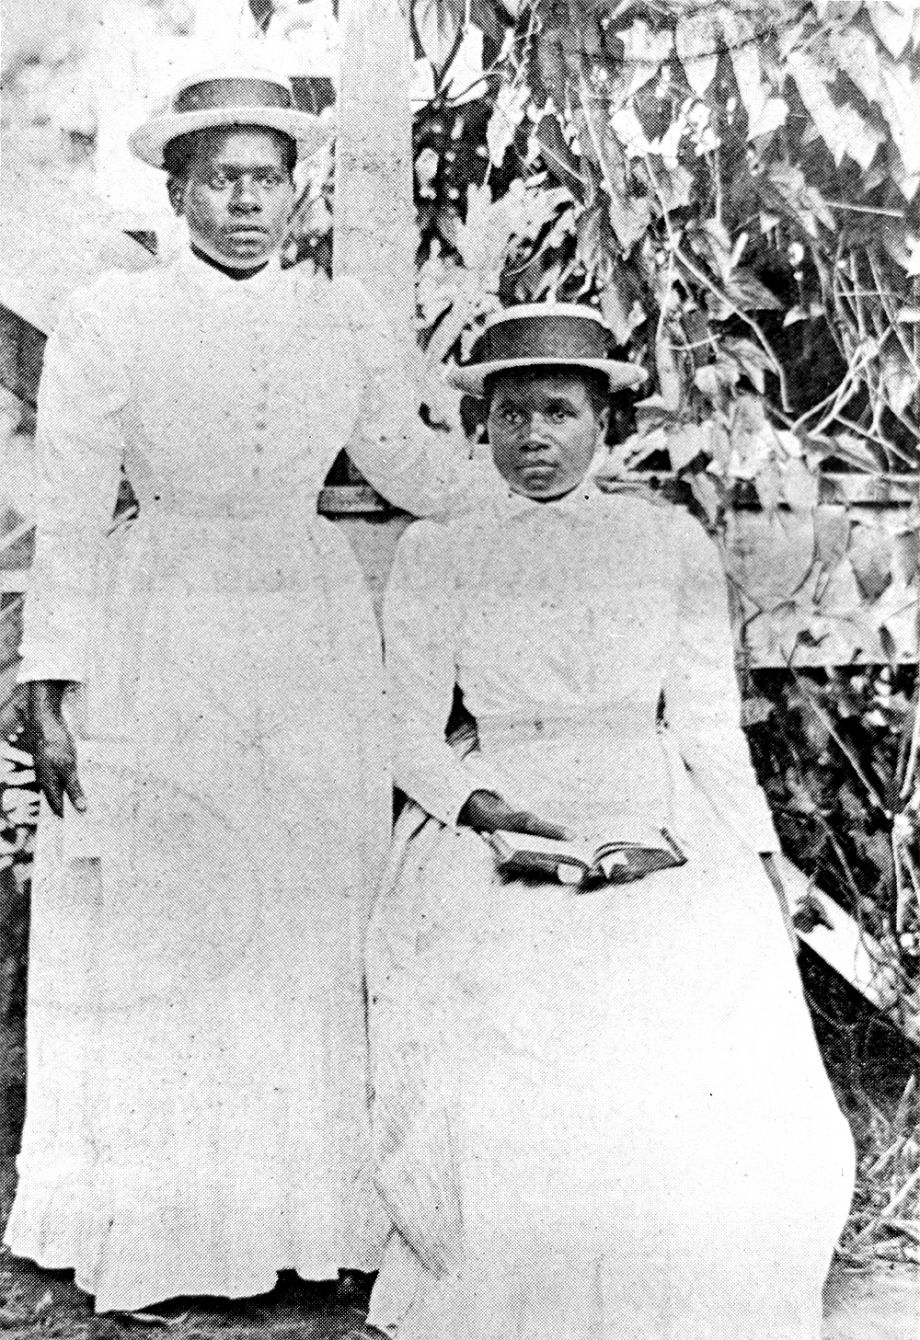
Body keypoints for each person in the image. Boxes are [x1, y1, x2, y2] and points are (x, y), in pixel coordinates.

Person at [5, 68, 481, 1314]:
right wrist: (52, 676)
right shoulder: (117, 317)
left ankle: (311, 1218)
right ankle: (168, 1230)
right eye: (218, 179)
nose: (244, 204)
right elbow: (66, 508)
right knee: (181, 903)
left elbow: (401, 457)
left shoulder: (342, 316)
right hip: (162, 617)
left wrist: (545, 495)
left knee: (308, 896)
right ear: (176, 191)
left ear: (296, 189)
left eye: (265, 178)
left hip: (306, 623)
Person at [365, 304, 856, 1340]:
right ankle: (518, 1272)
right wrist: (489, 809)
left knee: (694, 948)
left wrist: (757, 850)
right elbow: (406, 734)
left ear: (604, 421)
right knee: (496, 958)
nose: (531, 437)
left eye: (557, 410)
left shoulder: (661, 540)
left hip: (650, 790)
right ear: (479, 427)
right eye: (507, 415)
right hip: (498, 796)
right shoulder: (438, 551)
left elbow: (706, 721)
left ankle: (667, 1270)